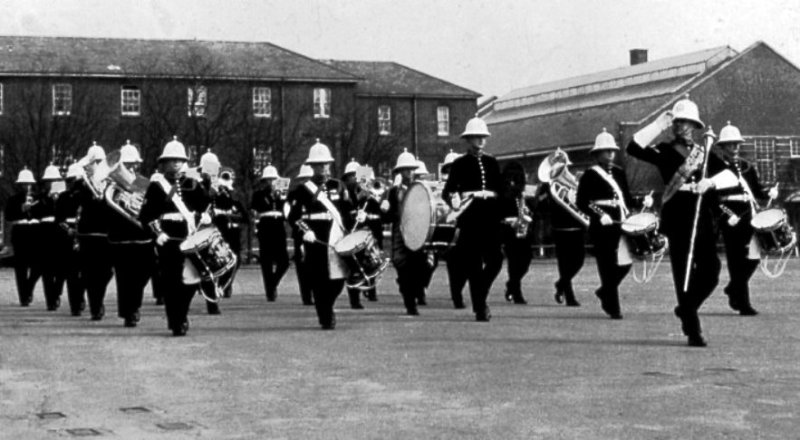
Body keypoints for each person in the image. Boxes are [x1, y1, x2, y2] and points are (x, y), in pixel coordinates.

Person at [627, 96, 735, 347]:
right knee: (683, 273)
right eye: (678, 122)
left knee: (711, 271)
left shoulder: (705, 153)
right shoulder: (664, 151)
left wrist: (711, 182)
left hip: (702, 216)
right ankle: (692, 328)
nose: (681, 127)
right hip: (678, 216)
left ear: (695, 126)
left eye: (687, 123)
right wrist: (657, 125)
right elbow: (633, 147)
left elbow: (731, 175)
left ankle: (686, 308)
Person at [139, 136, 211, 336]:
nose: (177, 163)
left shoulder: (193, 184)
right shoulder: (156, 186)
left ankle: (182, 314)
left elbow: (206, 205)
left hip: (189, 236)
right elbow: (146, 215)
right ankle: (176, 320)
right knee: (170, 282)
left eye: (180, 159)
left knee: (192, 280)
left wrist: (205, 215)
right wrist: (157, 234)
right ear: (165, 163)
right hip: (168, 238)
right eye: (172, 159)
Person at [287, 139, 354, 329]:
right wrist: (304, 231)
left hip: (336, 237)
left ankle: (328, 305)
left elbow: (348, 211)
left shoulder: (339, 186)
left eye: (325, 164)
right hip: (315, 239)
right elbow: (293, 216)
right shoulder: (302, 190)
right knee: (319, 279)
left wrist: (358, 217)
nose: (323, 168)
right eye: (318, 165)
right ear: (312, 167)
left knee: (338, 279)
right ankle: (325, 315)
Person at [442, 116, 503, 321]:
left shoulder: (492, 162)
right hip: (470, 217)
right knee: (474, 265)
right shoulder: (460, 163)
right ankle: (480, 307)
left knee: (496, 260)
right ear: (468, 140)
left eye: (483, 137)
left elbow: (500, 190)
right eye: (476, 137)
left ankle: (480, 293)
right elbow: (448, 191)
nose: (480, 141)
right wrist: (455, 199)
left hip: (491, 217)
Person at [715, 122, 778, 316]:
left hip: (749, 215)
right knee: (736, 260)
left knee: (753, 258)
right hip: (730, 217)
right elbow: (714, 198)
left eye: (736, 144)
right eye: (730, 144)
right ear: (723, 147)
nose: (734, 148)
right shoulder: (716, 167)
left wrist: (770, 191)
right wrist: (727, 215)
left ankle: (733, 288)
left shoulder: (746, 167)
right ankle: (743, 303)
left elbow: (757, 191)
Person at [576, 129, 634, 319]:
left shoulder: (619, 172)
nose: (610, 154)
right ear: (597, 154)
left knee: (625, 264)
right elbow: (582, 202)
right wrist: (599, 214)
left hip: (620, 222)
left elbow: (626, 198)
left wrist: (642, 203)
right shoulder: (590, 175)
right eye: (605, 151)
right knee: (607, 265)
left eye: (612, 151)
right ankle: (613, 307)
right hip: (601, 225)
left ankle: (604, 291)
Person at [106, 141, 154, 327]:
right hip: (120, 237)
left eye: (132, 163)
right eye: (125, 164)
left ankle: (133, 306)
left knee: (144, 273)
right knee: (124, 278)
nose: (129, 167)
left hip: (142, 236)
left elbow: (150, 207)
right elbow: (107, 210)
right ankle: (129, 312)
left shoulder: (144, 183)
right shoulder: (110, 185)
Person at [535, 150, 586, 307]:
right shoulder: (547, 187)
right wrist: (546, 191)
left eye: (564, 168)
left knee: (579, 260)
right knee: (564, 263)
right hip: (560, 227)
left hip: (577, 226)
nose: (563, 171)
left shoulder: (576, 183)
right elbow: (540, 206)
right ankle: (569, 296)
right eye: (558, 168)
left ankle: (561, 284)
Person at [381, 149, 428, 315]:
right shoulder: (392, 192)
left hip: (418, 232)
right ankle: (410, 303)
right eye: (405, 169)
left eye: (411, 169)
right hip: (400, 233)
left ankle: (416, 293)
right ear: (399, 171)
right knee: (403, 268)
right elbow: (385, 218)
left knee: (419, 267)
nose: (408, 172)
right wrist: (385, 210)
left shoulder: (421, 188)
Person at [75, 143, 115, 321]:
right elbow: (77, 202)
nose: (98, 165)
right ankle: (96, 306)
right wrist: (91, 189)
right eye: (94, 162)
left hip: (106, 233)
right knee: (91, 271)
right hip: (88, 233)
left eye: (100, 161)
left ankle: (95, 298)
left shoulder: (112, 182)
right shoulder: (81, 184)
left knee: (106, 272)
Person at [251, 163, 289, 302]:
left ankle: (273, 283)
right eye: (269, 180)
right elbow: (255, 210)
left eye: (273, 179)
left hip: (278, 225)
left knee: (284, 261)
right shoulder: (258, 194)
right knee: (266, 261)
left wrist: (281, 197)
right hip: (265, 226)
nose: (271, 182)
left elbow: (286, 210)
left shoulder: (282, 195)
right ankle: (270, 290)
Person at [499, 161, 535, 305]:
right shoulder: (502, 192)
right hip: (508, 228)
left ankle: (512, 284)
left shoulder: (523, 193)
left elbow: (534, 209)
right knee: (514, 261)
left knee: (526, 259)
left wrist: (528, 211)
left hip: (522, 228)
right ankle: (516, 290)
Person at [5, 168, 42, 307]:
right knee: (21, 268)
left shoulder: (38, 198)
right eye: (24, 184)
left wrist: (34, 208)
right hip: (20, 233)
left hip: (34, 233)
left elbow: (42, 214)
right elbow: (8, 216)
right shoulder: (13, 199)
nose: (27, 186)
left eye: (29, 184)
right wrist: (21, 209)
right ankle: (24, 297)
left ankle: (29, 287)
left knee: (38, 265)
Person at [32, 164, 66, 311]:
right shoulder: (39, 198)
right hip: (44, 234)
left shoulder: (63, 197)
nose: (51, 184)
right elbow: (35, 213)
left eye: (54, 180)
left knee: (60, 269)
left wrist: (58, 199)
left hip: (59, 233)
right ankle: (50, 301)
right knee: (47, 271)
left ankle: (56, 292)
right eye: (49, 181)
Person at [55, 163, 87, 316]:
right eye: (69, 181)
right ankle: (75, 304)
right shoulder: (63, 197)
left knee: (85, 272)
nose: (71, 184)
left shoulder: (87, 196)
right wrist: (68, 230)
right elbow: (59, 219)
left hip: (84, 236)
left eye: (73, 181)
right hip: (67, 238)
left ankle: (81, 298)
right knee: (71, 274)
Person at [212, 167, 247, 298]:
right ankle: (221, 285)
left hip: (233, 233)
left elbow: (244, 216)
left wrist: (232, 215)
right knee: (220, 259)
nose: (226, 181)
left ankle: (226, 283)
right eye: (224, 177)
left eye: (228, 178)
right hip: (220, 231)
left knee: (235, 260)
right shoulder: (216, 194)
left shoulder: (235, 196)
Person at [440, 150, 468, 309]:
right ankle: (456, 295)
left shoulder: (466, 183)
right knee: (454, 265)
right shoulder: (444, 186)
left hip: (463, 228)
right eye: (450, 168)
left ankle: (458, 291)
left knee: (465, 266)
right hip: (447, 229)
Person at [288, 164, 314, 305]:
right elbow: (293, 216)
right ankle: (306, 296)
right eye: (304, 179)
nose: (306, 181)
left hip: (318, 233)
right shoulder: (295, 194)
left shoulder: (321, 192)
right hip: (301, 233)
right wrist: (304, 229)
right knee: (302, 267)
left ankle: (317, 293)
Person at [341, 159, 366, 309]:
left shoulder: (362, 191)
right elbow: (343, 209)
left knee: (360, 265)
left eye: (356, 176)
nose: (354, 179)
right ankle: (354, 299)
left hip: (360, 231)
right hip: (348, 231)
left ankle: (358, 295)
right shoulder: (344, 191)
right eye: (352, 176)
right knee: (353, 267)